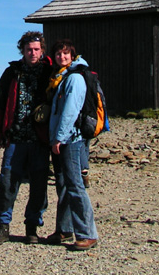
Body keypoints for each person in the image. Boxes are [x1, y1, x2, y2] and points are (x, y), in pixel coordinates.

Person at [0, 31, 52, 246]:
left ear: (42, 50)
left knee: (39, 186)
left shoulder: (50, 73)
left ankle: (32, 227)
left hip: (40, 140)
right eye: (28, 49)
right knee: (7, 183)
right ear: (22, 51)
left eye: (36, 49)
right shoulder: (11, 73)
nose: (32, 53)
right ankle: (3, 226)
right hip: (15, 139)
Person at [47, 39, 98, 250]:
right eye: (58, 54)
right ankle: (65, 229)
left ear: (72, 55)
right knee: (64, 186)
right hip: (62, 139)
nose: (62, 57)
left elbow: (70, 111)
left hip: (71, 140)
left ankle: (87, 233)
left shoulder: (74, 78)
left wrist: (59, 137)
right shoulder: (61, 78)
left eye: (65, 53)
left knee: (75, 185)